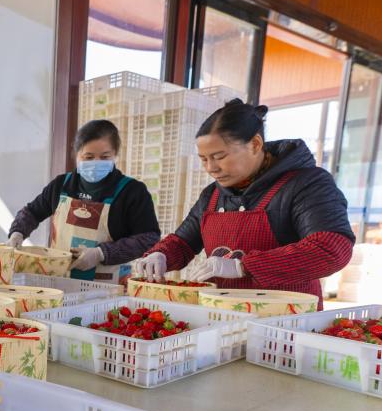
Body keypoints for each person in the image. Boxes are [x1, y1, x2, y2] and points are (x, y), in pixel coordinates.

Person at [129, 99, 354, 306]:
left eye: (219, 157)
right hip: (223, 315)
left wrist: (244, 265)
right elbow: (184, 241)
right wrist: (161, 255)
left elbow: (331, 248)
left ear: (255, 144)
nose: (211, 168)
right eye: (204, 159)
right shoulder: (213, 194)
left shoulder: (307, 183)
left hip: (284, 318)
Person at [7, 119, 160, 280]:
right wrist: (17, 232)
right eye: (88, 157)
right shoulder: (61, 185)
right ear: (77, 154)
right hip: (59, 280)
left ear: (115, 154)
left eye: (104, 157)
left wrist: (101, 253)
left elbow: (148, 238)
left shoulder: (132, 191)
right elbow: (32, 212)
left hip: (106, 287)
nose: (96, 162)